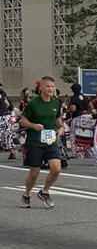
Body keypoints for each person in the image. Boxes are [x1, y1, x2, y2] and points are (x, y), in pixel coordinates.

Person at [19, 76, 65, 209]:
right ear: (41, 88)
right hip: (34, 142)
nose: (50, 89)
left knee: (56, 169)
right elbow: (23, 121)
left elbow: (58, 119)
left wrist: (61, 128)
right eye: (47, 86)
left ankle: (44, 191)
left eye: (52, 86)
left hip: (50, 141)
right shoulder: (34, 103)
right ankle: (27, 195)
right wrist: (34, 125)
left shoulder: (55, 103)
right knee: (34, 172)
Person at [68, 82, 92, 159]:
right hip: (86, 117)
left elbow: (73, 108)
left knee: (74, 135)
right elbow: (91, 106)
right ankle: (87, 152)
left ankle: (76, 153)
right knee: (85, 136)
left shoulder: (73, 98)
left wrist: (68, 111)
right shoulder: (85, 97)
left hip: (77, 117)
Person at [0, 83, 17, 160]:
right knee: (7, 134)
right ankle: (12, 150)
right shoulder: (2, 94)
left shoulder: (2, 94)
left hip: (3, 115)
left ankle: (11, 150)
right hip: (5, 115)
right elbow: (8, 105)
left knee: (6, 134)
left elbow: (8, 105)